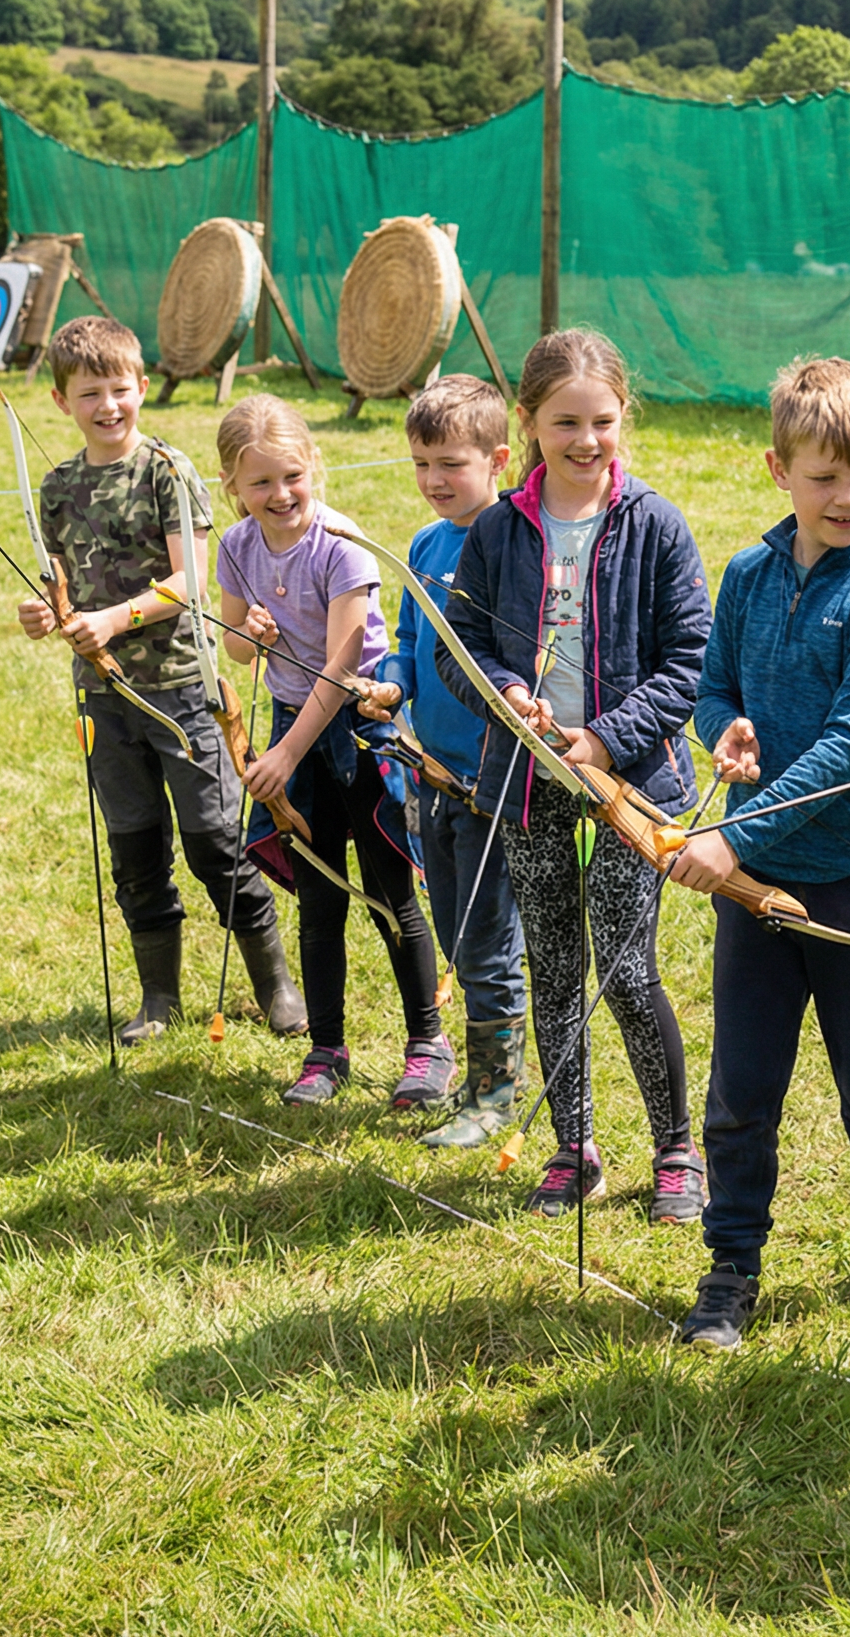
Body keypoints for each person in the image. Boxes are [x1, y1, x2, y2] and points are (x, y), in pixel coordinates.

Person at [666, 357, 850, 1351]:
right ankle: (731, 1262)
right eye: (824, 475)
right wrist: (729, 728)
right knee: (742, 1085)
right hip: (752, 883)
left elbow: (848, 747)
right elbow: (710, 684)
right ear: (777, 468)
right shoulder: (747, 575)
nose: (847, 496)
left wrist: (728, 833)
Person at [441, 332, 709, 1220]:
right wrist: (506, 691)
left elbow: (688, 659)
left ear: (623, 417)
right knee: (554, 965)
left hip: (632, 782)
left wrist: (604, 738)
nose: (586, 440)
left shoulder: (656, 524)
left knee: (627, 972)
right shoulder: (497, 530)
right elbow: (461, 649)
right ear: (529, 423)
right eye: (565, 423)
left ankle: (676, 1150)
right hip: (527, 781)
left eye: (602, 421)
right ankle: (574, 1145)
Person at [15, 316, 302, 1046]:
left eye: (119, 389)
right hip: (104, 699)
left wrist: (112, 620)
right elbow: (63, 586)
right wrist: (47, 615)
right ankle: (158, 999)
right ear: (61, 402)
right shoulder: (57, 488)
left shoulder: (168, 471)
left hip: (179, 689)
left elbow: (189, 581)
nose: (107, 406)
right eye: (89, 394)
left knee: (214, 843)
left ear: (142, 387)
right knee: (135, 848)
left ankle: (276, 987)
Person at [213, 394, 452, 1111]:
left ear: (313, 465)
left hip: (358, 727)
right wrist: (247, 634)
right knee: (318, 900)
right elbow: (232, 644)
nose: (280, 495)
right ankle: (327, 1050)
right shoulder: (235, 548)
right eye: (260, 483)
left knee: (389, 895)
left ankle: (426, 1044)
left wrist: (282, 755)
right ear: (233, 487)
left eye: (291, 476)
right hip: (296, 727)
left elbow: (342, 670)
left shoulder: (341, 547)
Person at [354, 376, 528, 1150]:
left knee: (488, 941)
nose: (433, 481)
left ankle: (496, 1090)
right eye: (421, 463)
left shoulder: (516, 544)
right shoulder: (424, 545)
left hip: (497, 782)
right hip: (435, 774)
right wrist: (390, 686)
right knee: (457, 934)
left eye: (450, 463)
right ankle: (481, 1078)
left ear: (498, 459)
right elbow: (409, 645)